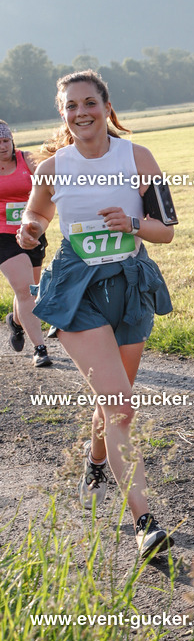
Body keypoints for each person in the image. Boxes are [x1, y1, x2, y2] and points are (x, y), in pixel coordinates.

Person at [17, 70, 175, 557]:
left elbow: (166, 229)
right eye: (70, 105)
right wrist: (28, 232)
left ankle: (96, 461)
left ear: (107, 106)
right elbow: (36, 217)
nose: (81, 112)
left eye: (89, 102)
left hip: (129, 285)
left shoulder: (138, 157)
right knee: (122, 407)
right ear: (62, 114)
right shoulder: (51, 168)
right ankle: (145, 523)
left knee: (113, 400)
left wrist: (132, 222)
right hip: (76, 290)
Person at [0, 120, 52, 366]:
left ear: (12, 141)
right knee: (24, 290)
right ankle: (40, 349)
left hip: (32, 230)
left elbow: (47, 182)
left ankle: (16, 321)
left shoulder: (27, 160)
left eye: (5, 141)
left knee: (31, 289)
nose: (2, 147)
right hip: (2, 235)